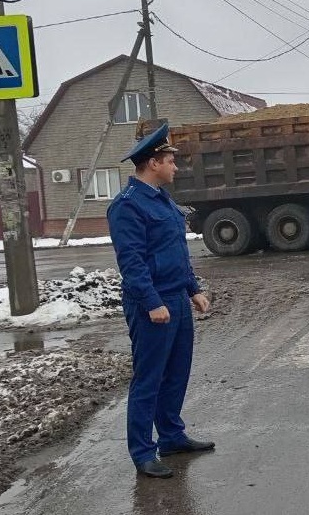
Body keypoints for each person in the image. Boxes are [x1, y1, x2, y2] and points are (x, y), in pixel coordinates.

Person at [107, 123, 214, 479]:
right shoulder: (126, 206)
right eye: (170, 160)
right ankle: (142, 452)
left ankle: (171, 436)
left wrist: (192, 289)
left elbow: (176, 251)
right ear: (153, 163)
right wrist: (152, 302)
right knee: (149, 379)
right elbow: (132, 262)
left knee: (176, 373)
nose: (175, 166)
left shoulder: (162, 199)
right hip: (151, 304)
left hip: (176, 300)